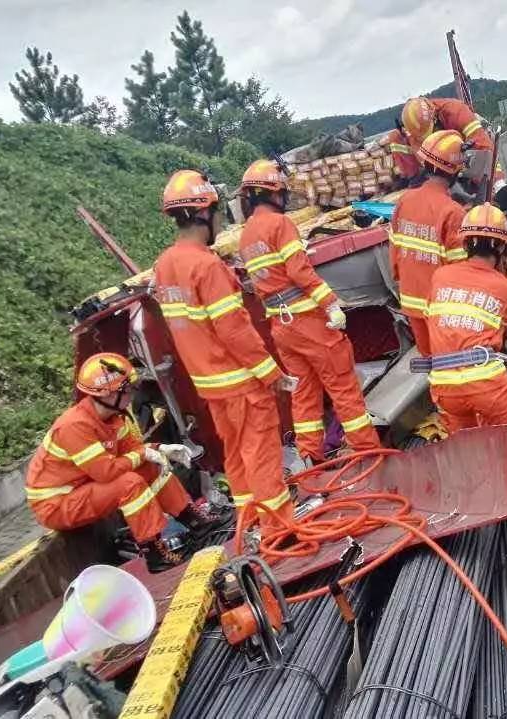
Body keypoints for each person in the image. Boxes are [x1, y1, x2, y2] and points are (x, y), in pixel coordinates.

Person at [152, 169, 296, 532]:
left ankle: (250, 529)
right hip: (242, 385)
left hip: (212, 387)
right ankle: (280, 536)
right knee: (262, 458)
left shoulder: (165, 265)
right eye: (217, 212)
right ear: (204, 213)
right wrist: (271, 373)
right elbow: (234, 329)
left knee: (238, 459)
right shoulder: (206, 265)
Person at [236, 159, 382, 464]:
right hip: (308, 321)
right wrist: (330, 303)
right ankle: (370, 453)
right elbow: (299, 271)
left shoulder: (247, 234)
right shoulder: (280, 224)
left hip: (282, 327)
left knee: (303, 397)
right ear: (275, 193)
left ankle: (311, 460)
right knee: (343, 388)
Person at [25, 353, 224, 572]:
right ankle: (156, 553)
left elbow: (132, 451)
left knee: (151, 466)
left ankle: (195, 520)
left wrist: (161, 449)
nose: (133, 391)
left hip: (81, 489)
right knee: (129, 484)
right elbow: (106, 472)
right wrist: (143, 454)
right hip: (57, 504)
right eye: (127, 388)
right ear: (109, 394)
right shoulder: (74, 427)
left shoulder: (112, 417)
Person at [426, 204, 507, 536]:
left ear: (466, 242)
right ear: (500, 247)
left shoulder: (440, 277)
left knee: (467, 452)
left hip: (443, 386)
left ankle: (477, 521)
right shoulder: (505, 287)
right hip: (486, 385)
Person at [388, 130, 470, 355]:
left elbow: (395, 257)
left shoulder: (404, 200)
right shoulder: (452, 212)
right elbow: (461, 272)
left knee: (432, 367)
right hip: (440, 309)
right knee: (452, 368)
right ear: (455, 169)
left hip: (412, 303)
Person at [401, 96, 504, 192]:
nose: (434, 136)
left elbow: (482, 144)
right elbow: (430, 167)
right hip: (450, 164)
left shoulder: (456, 110)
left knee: (487, 180)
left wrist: (496, 181)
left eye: (433, 132)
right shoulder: (414, 135)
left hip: (470, 148)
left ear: (435, 117)